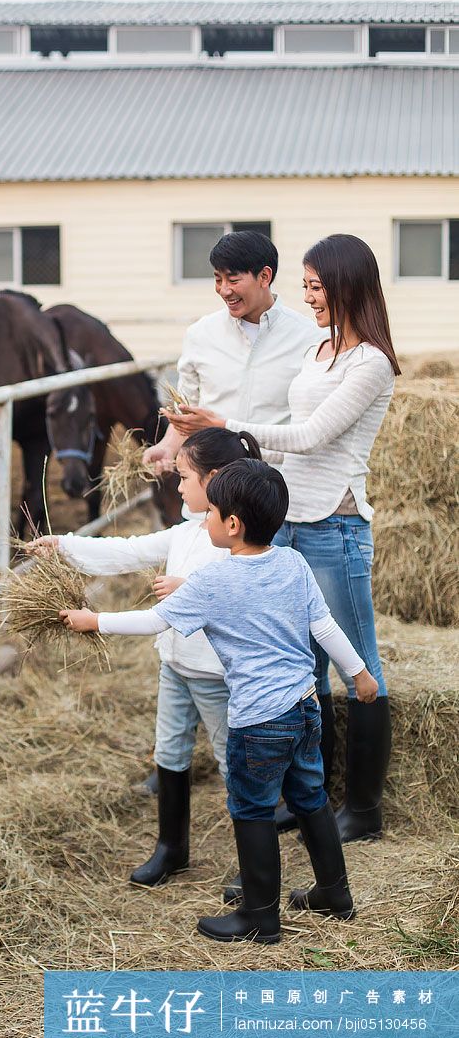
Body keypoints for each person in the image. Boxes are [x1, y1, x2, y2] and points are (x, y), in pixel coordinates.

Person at [59, 459, 378, 945]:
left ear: (232, 524)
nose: (202, 519)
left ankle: (260, 916)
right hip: (304, 707)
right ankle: (335, 893)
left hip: (256, 720)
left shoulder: (213, 581)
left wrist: (93, 620)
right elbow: (325, 627)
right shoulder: (293, 563)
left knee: (251, 809)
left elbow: (152, 621)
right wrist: (359, 674)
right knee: (310, 798)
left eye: (209, 512)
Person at [165, 234, 399, 845]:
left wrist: (228, 426)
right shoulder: (320, 349)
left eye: (317, 286)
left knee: (358, 663)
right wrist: (211, 444)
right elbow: (286, 429)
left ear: (348, 285)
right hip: (295, 518)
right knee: (305, 666)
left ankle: (365, 810)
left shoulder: (369, 362)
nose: (309, 297)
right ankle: (310, 797)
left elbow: (314, 434)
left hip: (336, 522)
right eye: (306, 287)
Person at [27, 428, 262, 888]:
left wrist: (186, 590)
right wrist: (66, 545)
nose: (177, 487)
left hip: (217, 674)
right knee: (170, 753)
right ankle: (171, 848)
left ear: (214, 480)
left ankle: (253, 866)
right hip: (175, 665)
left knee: (234, 763)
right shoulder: (187, 532)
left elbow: (233, 593)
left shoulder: (240, 542)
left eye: (184, 478)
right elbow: (129, 552)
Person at [143, 230, 319, 478]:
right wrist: (167, 447)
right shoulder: (200, 334)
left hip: (278, 487)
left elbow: (312, 428)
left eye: (233, 280)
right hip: (211, 484)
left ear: (264, 276)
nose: (224, 290)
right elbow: (188, 406)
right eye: (218, 279)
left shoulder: (309, 339)